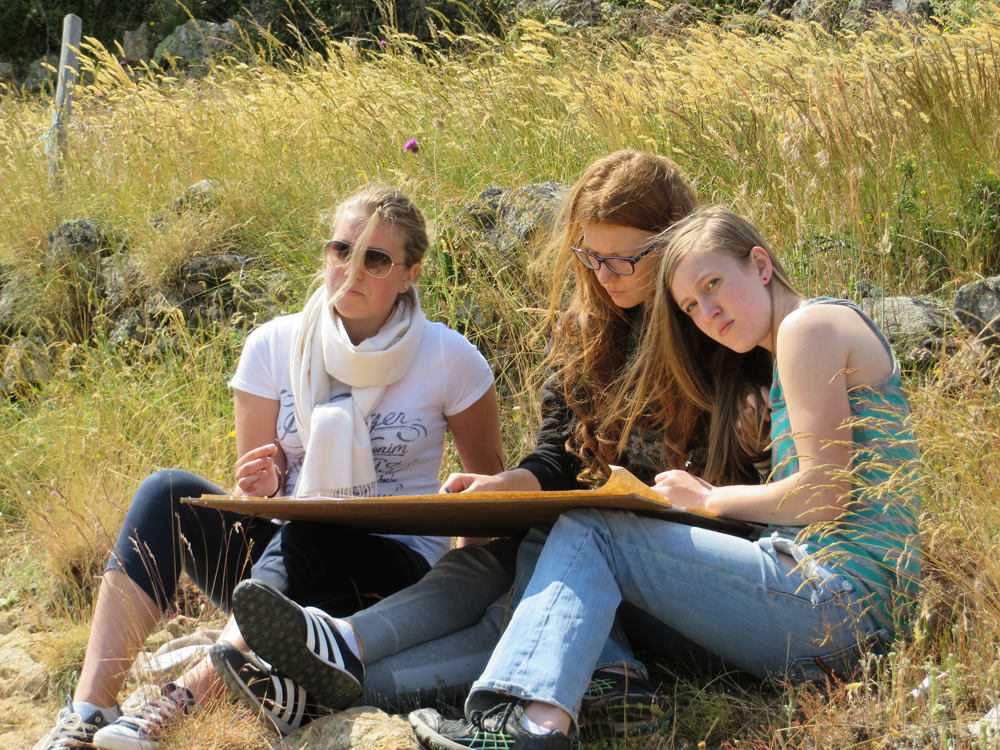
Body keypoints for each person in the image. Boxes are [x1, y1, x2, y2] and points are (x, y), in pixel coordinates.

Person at [217, 152, 771, 737]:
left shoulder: (720, 324)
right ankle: (336, 657)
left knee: (526, 597)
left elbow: (767, 496)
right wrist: (509, 485)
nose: (604, 275)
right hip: (602, 557)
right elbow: (560, 453)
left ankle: (336, 665)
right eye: (589, 256)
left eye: (624, 259)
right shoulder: (588, 329)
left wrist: (700, 498)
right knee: (496, 566)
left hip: (687, 577)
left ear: (674, 245)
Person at [407, 205, 923, 750]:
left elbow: (823, 494)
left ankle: (531, 727)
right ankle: (610, 685)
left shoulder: (807, 328)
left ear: (761, 264)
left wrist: (708, 499)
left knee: (595, 528)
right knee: (568, 548)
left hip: (841, 606)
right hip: (839, 617)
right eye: (691, 305)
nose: (709, 311)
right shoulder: (798, 344)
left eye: (714, 283)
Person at [32, 185, 504, 750]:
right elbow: (253, 491)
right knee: (169, 492)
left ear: (410, 274)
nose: (352, 270)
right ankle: (89, 710)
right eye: (341, 250)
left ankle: (179, 702)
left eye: (375, 259)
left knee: (316, 527)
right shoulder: (274, 345)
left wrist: (445, 610)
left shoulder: (450, 358)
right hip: (285, 561)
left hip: (390, 574)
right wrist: (268, 475)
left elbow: (487, 504)